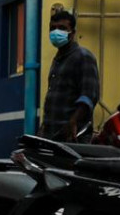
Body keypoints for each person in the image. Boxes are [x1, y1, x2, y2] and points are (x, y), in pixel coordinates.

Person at [40, 9, 100, 142]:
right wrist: (44, 128)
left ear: (72, 33)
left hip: (74, 136)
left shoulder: (83, 57)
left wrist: (73, 121)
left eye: (62, 28)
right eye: (53, 28)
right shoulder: (57, 60)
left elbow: (89, 96)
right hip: (52, 135)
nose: (56, 32)